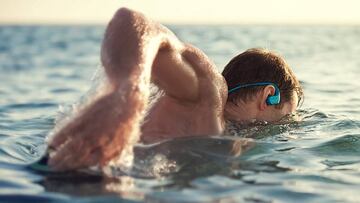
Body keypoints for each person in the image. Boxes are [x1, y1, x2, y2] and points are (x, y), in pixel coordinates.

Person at [47, 8, 303, 171]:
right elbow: (133, 20)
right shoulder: (208, 97)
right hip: (76, 181)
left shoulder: (218, 127)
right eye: (285, 116)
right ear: (269, 96)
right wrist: (128, 89)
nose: (280, 127)